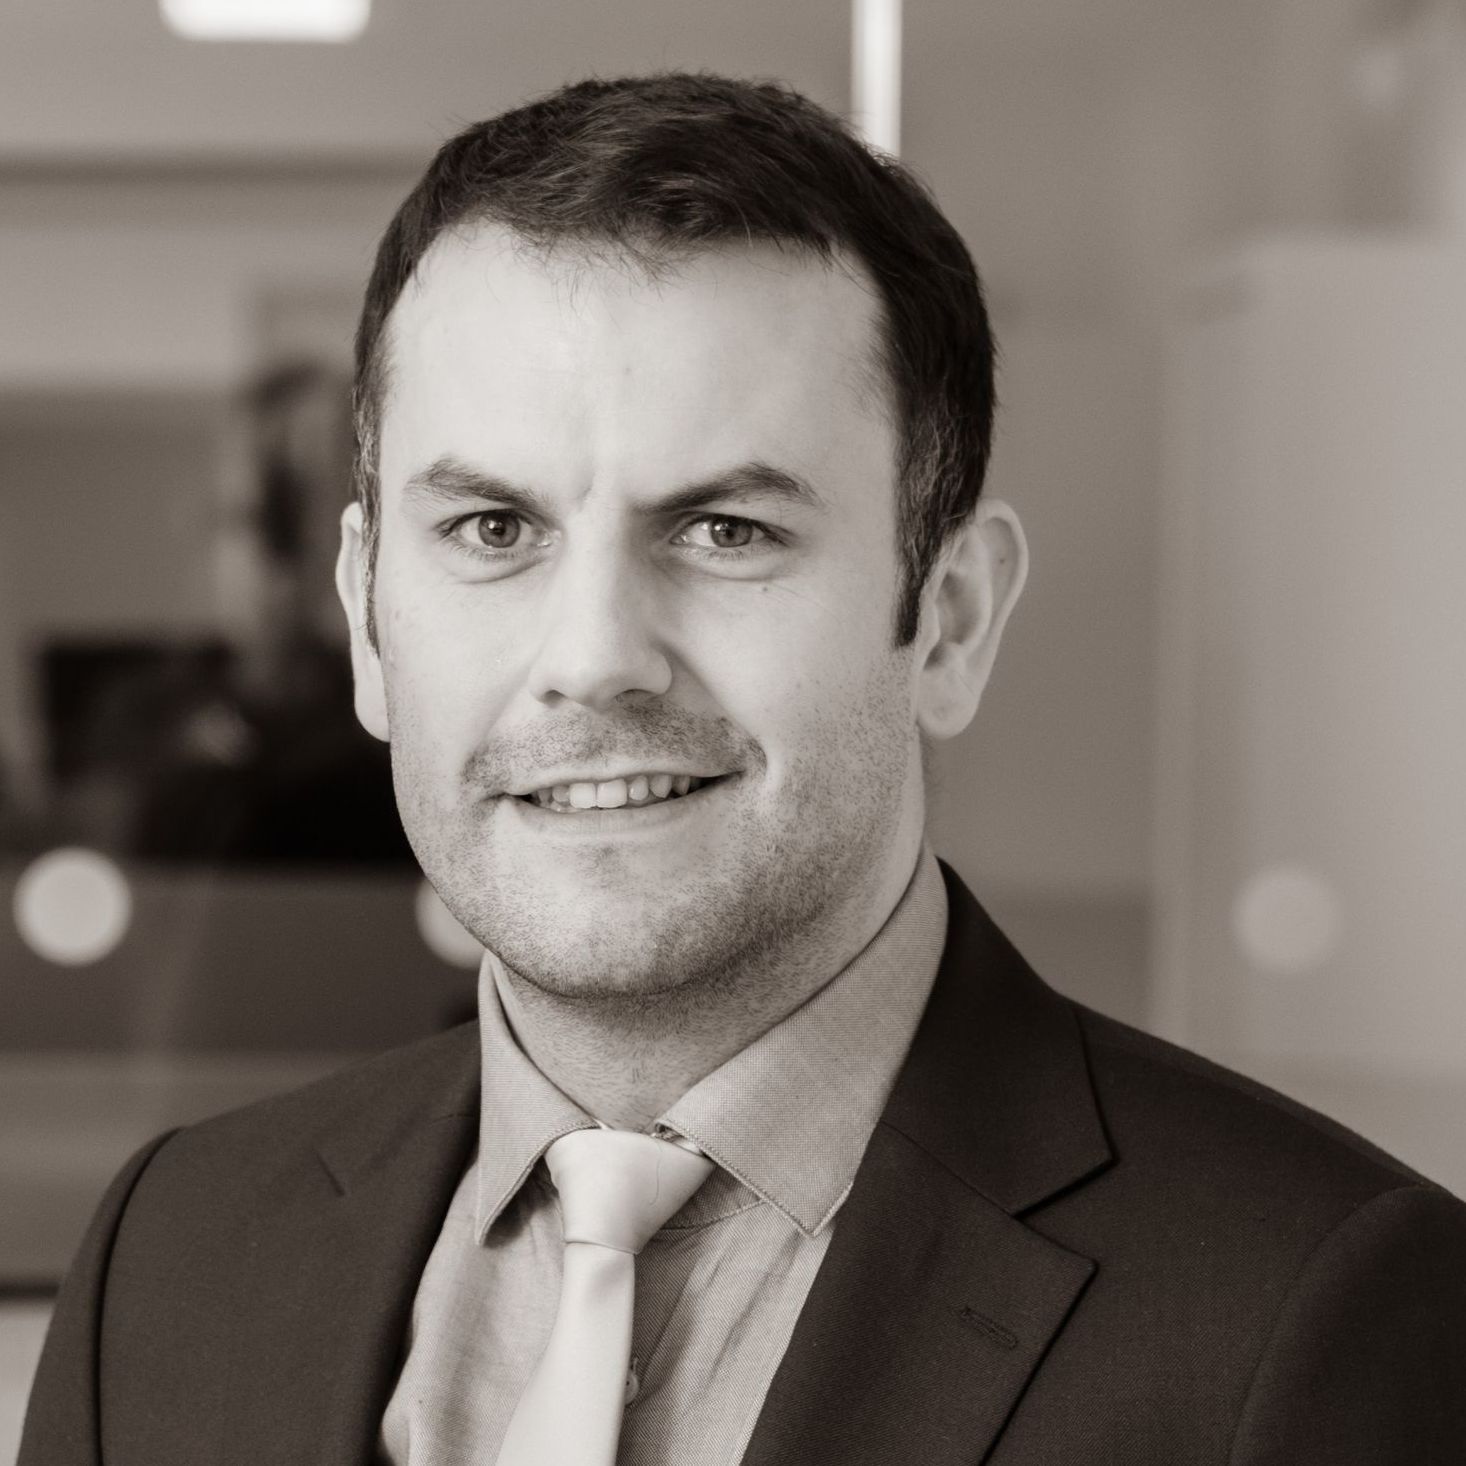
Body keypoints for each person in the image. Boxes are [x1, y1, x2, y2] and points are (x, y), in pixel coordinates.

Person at [20, 72, 1466, 1466]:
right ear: (366, 620)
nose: (593, 658)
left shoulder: (1314, 1315)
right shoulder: (175, 1254)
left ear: (949, 619)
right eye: (490, 530)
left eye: (725, 530)